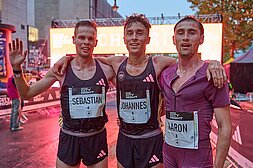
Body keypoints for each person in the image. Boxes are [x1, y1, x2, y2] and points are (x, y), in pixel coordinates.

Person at [54, 13, 227, 168]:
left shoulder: (159, 64)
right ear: (124, 39)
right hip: (126, 140)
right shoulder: (116, 63)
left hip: (152, 140)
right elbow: (87, 58)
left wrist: (212, 62)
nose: (135, 38)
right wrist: (68, 58)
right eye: (130, 33)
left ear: (148, 39)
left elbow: (189, 63)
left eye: (140, 33)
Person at [8, 20, 115, 168]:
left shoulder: (107, 69)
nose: (86, 42)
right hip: (69, 138)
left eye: (90, 39)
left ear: (95, 42)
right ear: (74, 39)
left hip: (95, 138)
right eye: (82, 37)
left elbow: (132, 80)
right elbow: (27, 94)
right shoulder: (61, 70)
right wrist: (17, 69)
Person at [160, 16, 232, 167]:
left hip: (197, 158)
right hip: (169, 154)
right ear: (174, 39)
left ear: (201, 39)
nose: (185, 38)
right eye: (181, 33)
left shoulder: (212, 75)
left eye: (192, 32)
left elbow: (224, 126)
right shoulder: (166, 75)